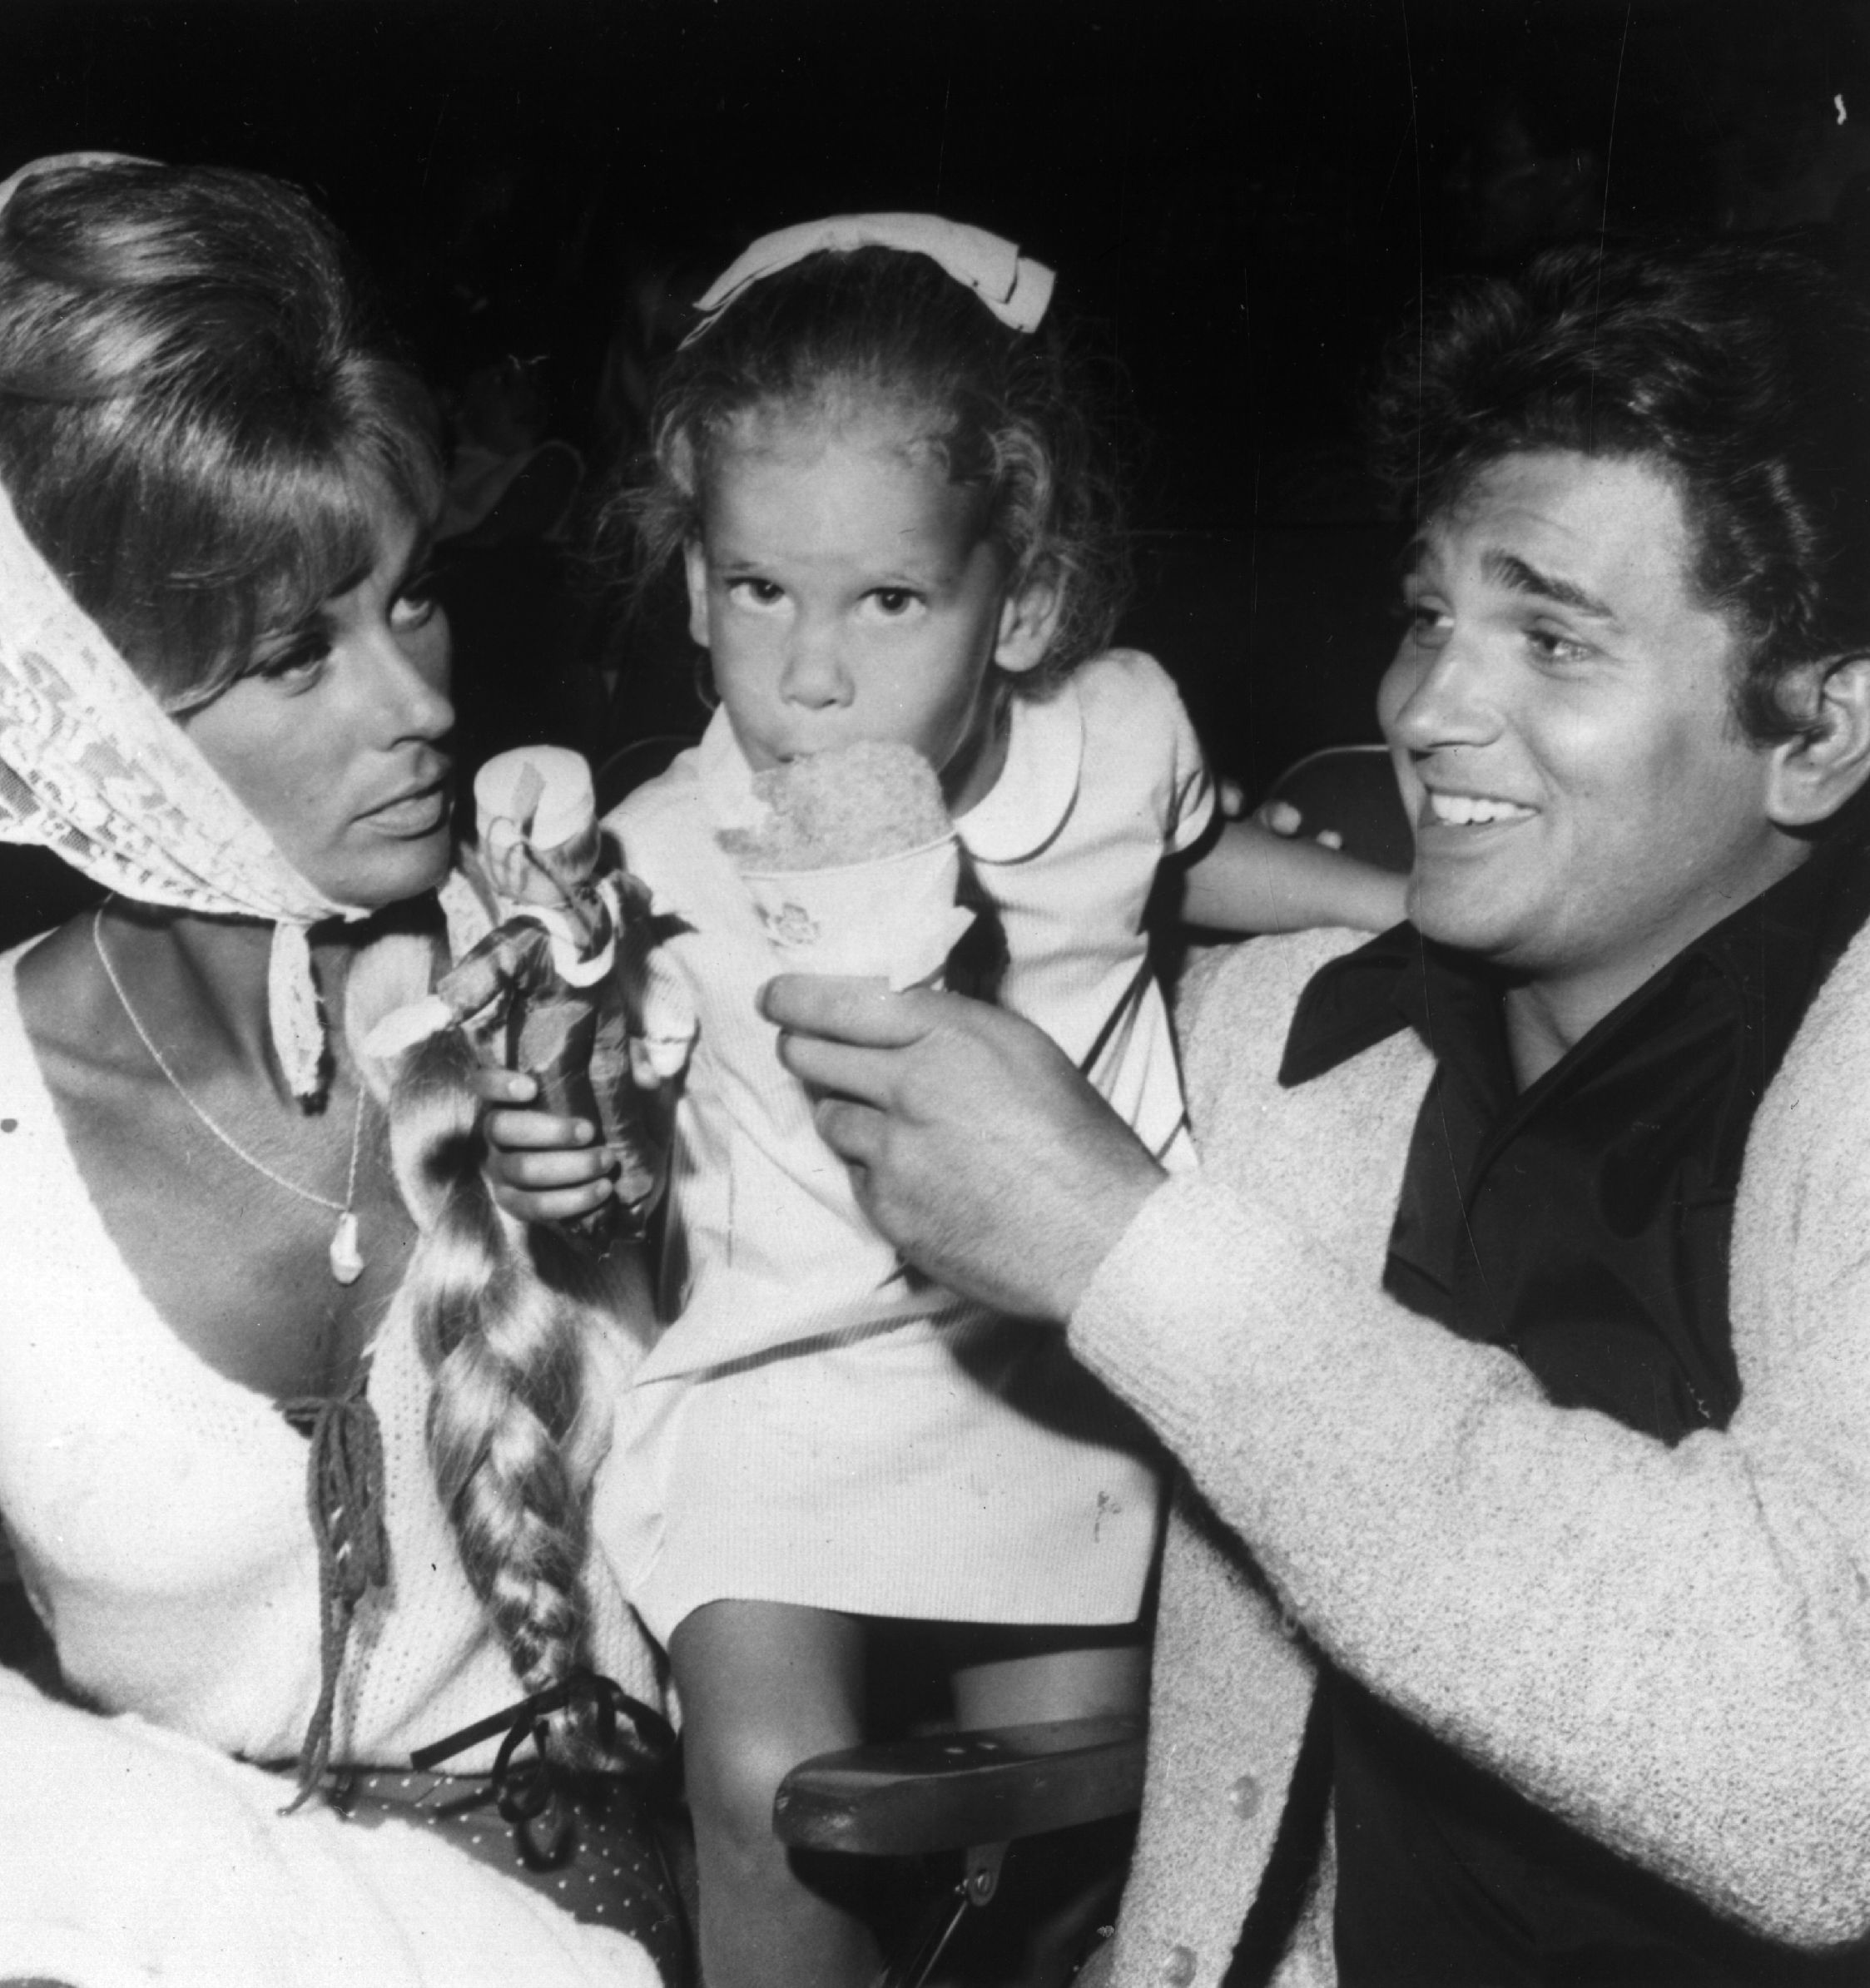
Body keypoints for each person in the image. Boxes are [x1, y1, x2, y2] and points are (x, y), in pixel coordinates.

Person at [0, 156, 685, 1988]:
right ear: (83, 699)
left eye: (412, 599)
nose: (422, 704)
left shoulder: (589, 970)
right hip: (168, 1923)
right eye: (299, 654)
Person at [764, 235, 1870, 1985]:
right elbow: (825, 1314)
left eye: (1551, 638)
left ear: (1817, 728)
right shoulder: (1283, 1046)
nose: (1423, 708)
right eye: (1429, 614)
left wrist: (1127, 1248)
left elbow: (1830, 1779)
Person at [486, 213, 1404, 1986]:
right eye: (758, 591)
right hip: (777, 1388)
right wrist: (571, 1157)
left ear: (1024, 597)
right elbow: (610, 1182)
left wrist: (1402, 914)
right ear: (692, 584)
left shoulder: (1122, 732)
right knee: (774, 1785)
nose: (812, 671)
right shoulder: (659, 850)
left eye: (888, 601)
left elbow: (1186, 863)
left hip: (1057, 1400)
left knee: (1085, 1822)